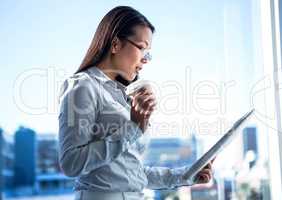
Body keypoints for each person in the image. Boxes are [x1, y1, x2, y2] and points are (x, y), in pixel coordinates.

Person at [58, 6, 213, 200]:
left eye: (148, 53)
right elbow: (71, 163)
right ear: (115, 44)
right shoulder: (83, 86)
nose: (146, 60)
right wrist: (133, 127)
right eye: (142, 47)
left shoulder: (122, 96)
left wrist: (186, 175)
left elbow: (131, 173)